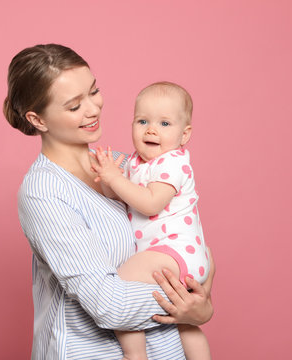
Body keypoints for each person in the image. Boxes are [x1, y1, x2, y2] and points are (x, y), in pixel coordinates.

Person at [3, 44, 215, 360]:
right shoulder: (44, 191)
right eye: (74, 106)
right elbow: (109, 305)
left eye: (94, 91)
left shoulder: (124, 165)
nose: (93, 109)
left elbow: (188, 242)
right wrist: (189, 305)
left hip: (169, 350)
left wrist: (202, 304)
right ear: (38, 119)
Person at [90, 82, 212, 360]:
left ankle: (135, 355)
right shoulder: (137, 162)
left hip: (174, 252)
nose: (151, 129)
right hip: (175, 255)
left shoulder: (173, 163)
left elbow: (149, 202)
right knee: (187, 324)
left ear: (185, 134)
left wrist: (115, 178)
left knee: (120, 287)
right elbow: (123, 197)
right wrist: (106, 180)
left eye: (165, 123)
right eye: (142, 121)